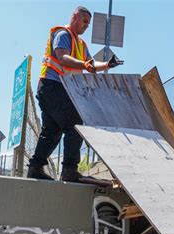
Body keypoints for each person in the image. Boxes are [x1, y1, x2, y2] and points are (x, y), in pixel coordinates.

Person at [27, 6, 121, 182]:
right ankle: (70, 170)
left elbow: (90, 64)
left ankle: (35, 168)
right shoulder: (64, 35)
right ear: (75, 17)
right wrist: (85, 65)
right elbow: (63, 58)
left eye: (88, 24)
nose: (86, 26)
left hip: (57, 89)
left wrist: (107, 65)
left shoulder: (81, 44)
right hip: (52, 86)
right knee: (75, 124)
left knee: (52, 130)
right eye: (84, 21)